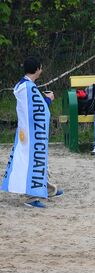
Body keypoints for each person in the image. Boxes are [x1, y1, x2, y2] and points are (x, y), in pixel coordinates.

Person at [1, 56, 63, 208]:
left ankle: (47, 189)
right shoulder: (29, 88)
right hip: (31, 133)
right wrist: (48, 100)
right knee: (33, 160)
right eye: (41, 68)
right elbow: (39, 111)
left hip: (25, 131)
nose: (41, 70)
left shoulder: (22, 86)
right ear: (37, 69)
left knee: (38, 160)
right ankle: (30, 196)